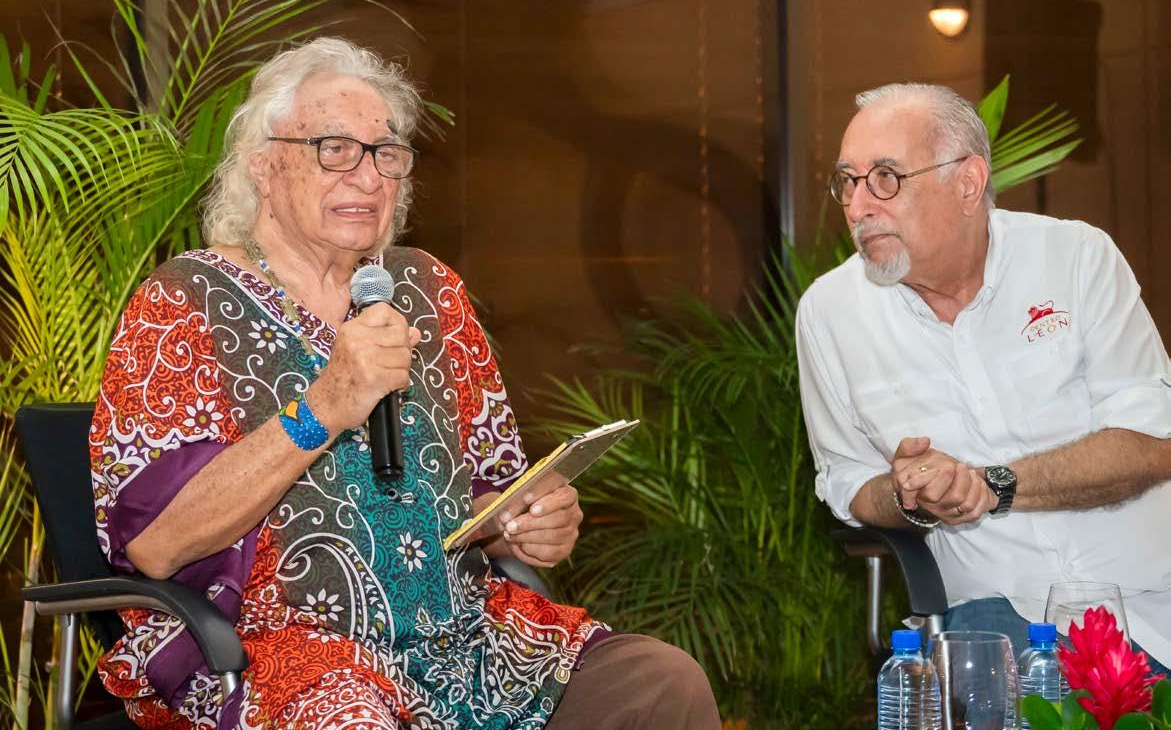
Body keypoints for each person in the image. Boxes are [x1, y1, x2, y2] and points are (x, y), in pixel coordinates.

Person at [90, 36, 720, 729]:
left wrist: (523, 525)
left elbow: (483, 499)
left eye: (385, 153)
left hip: (465, 642)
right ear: (264, 165)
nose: (367, 177)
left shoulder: (427, 289)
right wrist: (324, 407)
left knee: (660, 683)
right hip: (281, 650)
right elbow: (157, 544)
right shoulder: (183, 302)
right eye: (334, 148)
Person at [795, 82, 1171, 672]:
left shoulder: (1076, 258)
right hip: (995, 616)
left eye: (886, 177)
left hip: (1151, 600)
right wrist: (908, 494)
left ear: (968, 183)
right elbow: (847, 481)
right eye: (848, 180)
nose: (858, 206)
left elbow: (1151, 441)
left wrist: (992, 485)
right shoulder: (830, 312)